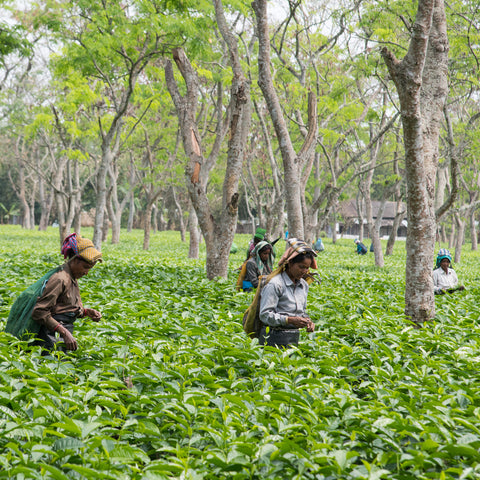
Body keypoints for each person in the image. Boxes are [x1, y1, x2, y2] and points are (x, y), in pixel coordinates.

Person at [31, 233, 103, 352]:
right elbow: (39, 312)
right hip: (50, 336)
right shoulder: (60, 279)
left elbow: (63, 307)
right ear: (75, 260)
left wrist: (85, 312)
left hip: (61, 333)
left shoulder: (72, 278)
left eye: (90, 268)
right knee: (51, 365)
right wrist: (64, 332)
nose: (86, 272)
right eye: (85, 267)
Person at [257, 238, 317, 348]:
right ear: (290, 263)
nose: (304, 271)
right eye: (301, 267)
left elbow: (300, 311)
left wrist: (308, 321)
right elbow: (265, 315)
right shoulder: (275, 284)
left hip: (292, 338)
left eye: (307, 268)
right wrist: (289, 320)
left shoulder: (303, 285)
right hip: (271, 337)